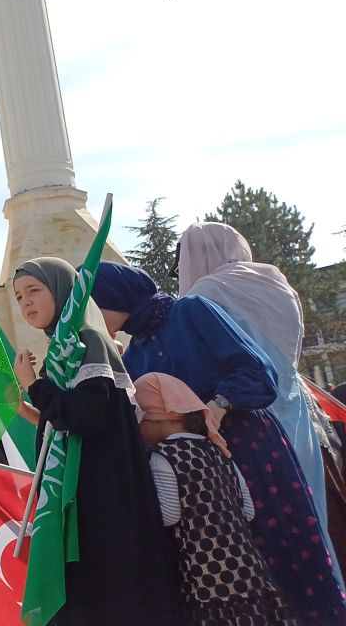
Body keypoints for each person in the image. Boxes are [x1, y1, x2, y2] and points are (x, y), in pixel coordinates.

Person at [93, 261, 346, 623]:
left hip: (249, 449)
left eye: (91, 305)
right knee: (233, 574)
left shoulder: (190, 311)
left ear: (112, 297)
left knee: (283, 554)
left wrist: (219, 405)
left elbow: (258, 372)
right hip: (196, 479)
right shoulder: (134, 354)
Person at [8, 258, 181, 625]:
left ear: (62, 290)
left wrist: (34, 385)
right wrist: (27, 404)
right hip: (91, 496)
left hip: (103, 499)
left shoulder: (87, 340)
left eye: (35, 290)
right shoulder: (66, 346)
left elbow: (84, 418)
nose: (26, 303)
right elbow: (67, 422)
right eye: (19, 296)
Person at [178, 221, 344, 581]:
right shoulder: (276, 280)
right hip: (300, 408)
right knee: (318, 509)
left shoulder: (205, 293)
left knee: (275, 522)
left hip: (247, 416)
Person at [133, 372, 293, 623]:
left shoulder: (162, 456)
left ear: (159, 415)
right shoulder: (218, 450)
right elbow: (248, 511)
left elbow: (170, 515)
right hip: (250, 569)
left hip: (206, 575)